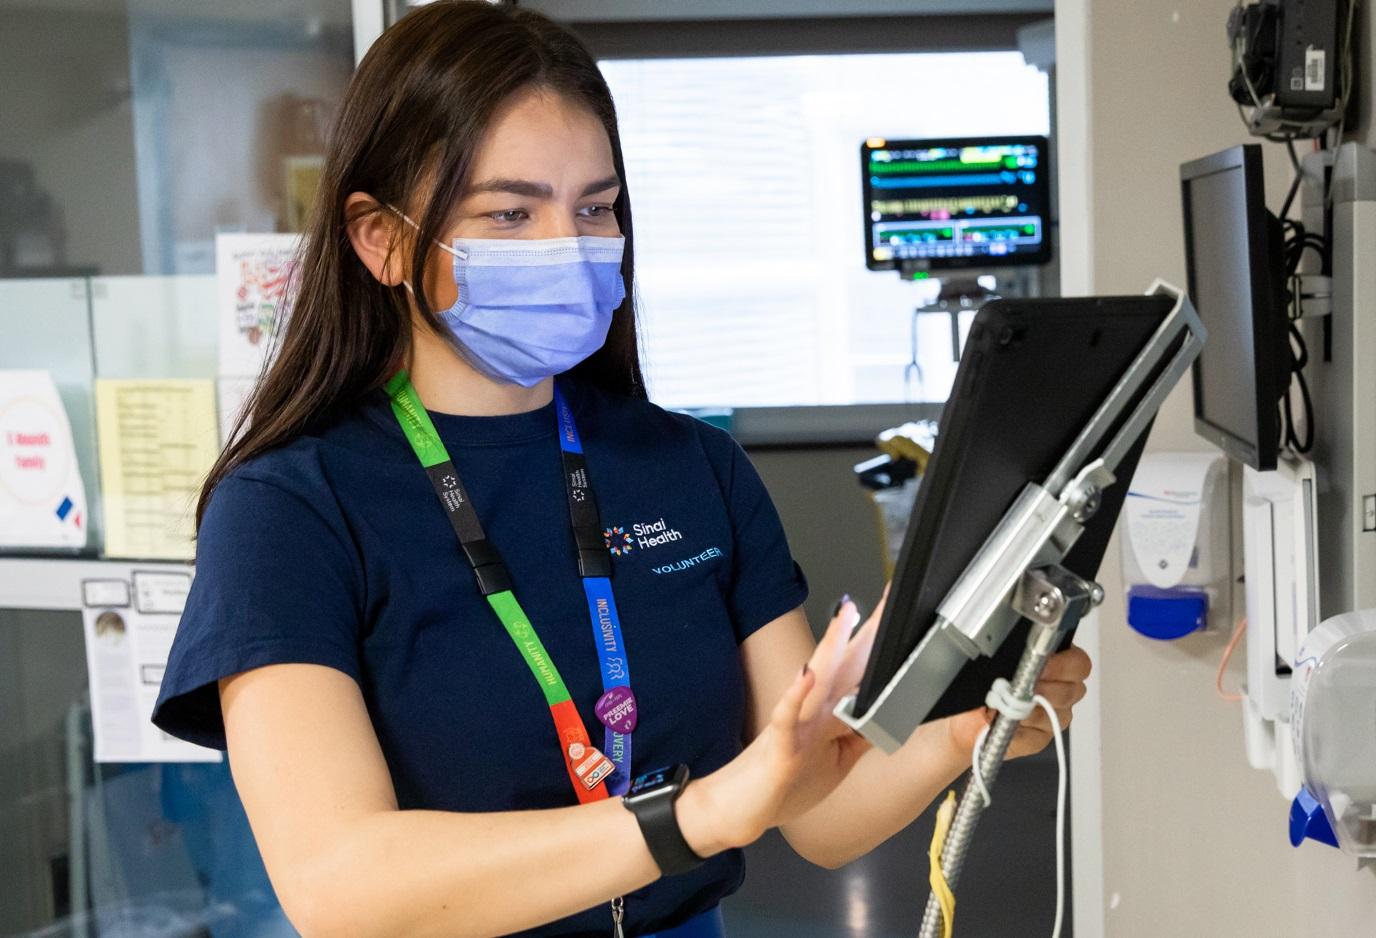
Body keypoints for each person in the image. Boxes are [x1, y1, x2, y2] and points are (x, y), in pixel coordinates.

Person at [150, 4, 1092, 936]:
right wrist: (694, 817)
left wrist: (969, 732)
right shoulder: (288, 508)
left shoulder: (690, 467)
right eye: (510, 212)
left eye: (594, 207)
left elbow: (818, 807)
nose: (569, 244)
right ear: (382, 239)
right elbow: (339, 884)